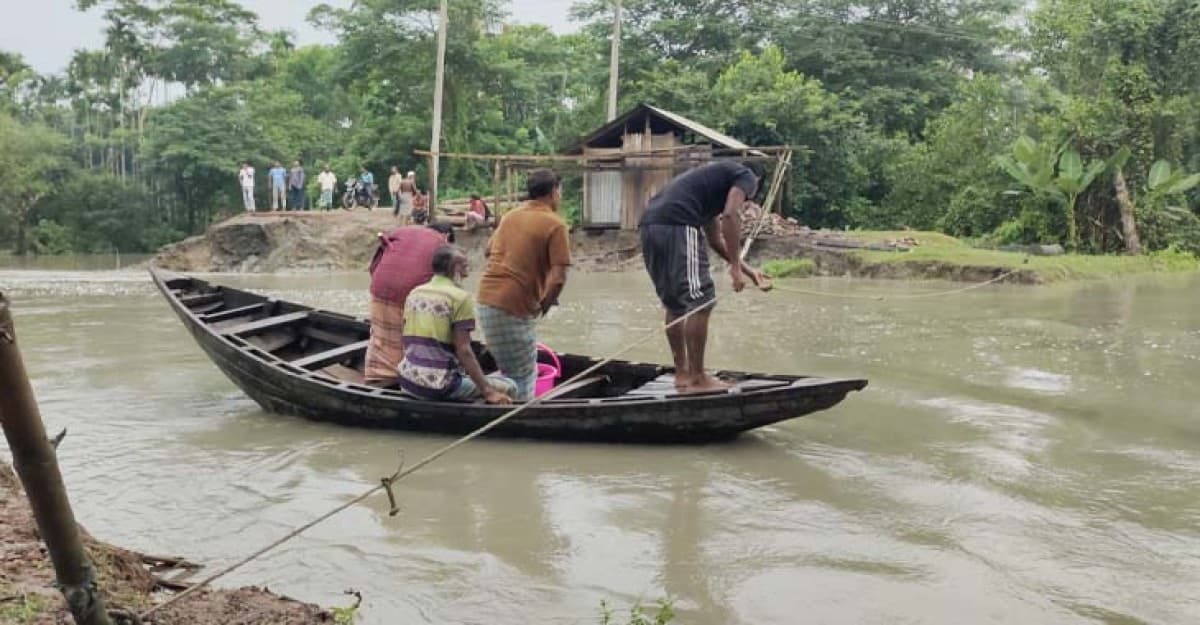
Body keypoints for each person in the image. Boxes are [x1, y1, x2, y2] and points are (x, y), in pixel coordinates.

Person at [639, 160, 772, 393]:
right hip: (678, 225)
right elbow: (731, 216)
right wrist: (734, 270)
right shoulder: (747, 175)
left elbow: (715, 240)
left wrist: (747, 271)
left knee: (675, 303)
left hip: (651, 225)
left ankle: (683, 374)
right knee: (702, 301)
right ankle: (699, 378)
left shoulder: (707, 192)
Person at [475, 169, 570, 401]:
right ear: (554, 192)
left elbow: (489, 250)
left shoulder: (511, 216)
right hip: (513, 306)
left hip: (485, 300)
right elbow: (558, 278)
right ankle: (513, 414)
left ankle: (484, 388)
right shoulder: (555, 224)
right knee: (524, 376)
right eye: (560, 191)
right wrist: (543, 306)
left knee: (513, 370)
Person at [398, 245, 517, 404]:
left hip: (406, 380)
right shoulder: (460, 298)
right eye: (465, 265)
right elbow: (464, 350)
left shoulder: (415, 292)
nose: (467, 269)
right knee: (511, 386)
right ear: (455, 268)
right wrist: (488, 391)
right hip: (439, 386)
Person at [364, 223, 456, 385]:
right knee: (414, 335)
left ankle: (380, 375)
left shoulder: (402, 231)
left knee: (381, 334)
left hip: (380, 285)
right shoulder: (442, 243)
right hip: (411, 291)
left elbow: (374, 266)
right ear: (448, 236)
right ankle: (411, 378)